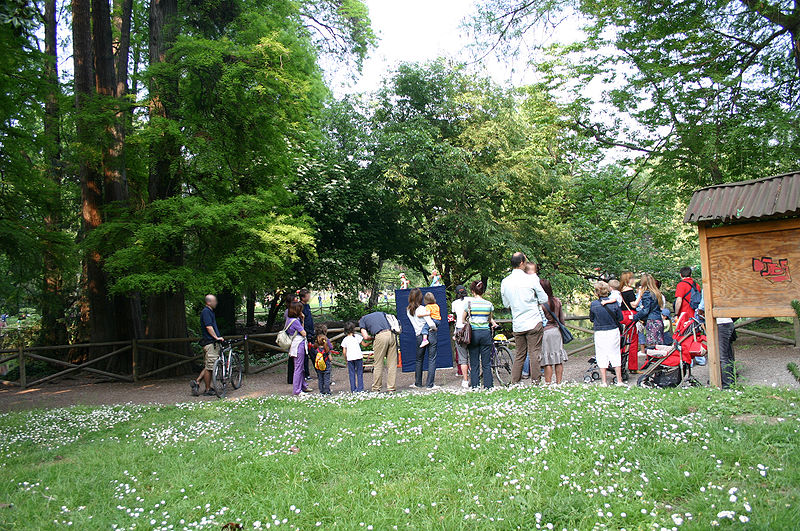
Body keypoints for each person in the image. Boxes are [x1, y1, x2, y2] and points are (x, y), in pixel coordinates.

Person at [501, 252, 547, 385]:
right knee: (534, 352)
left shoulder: (505, 282)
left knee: (520, 354)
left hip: (518, 323)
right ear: (521, 263)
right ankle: (536, 381)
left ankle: (515, 382)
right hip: (533, 320)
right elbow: (544, 298)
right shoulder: (531, 279)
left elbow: (506, 304)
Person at [697, 290, 736, 388]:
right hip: (727, 321)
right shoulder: (723, 286)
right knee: (727, 353)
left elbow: (702, 306)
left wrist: (699, 311)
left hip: (719, 323)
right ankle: (728, 379)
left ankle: (727, 383)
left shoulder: (709, 286)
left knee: (721, 355)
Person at [589, 282, 625, 387]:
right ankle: (619, 380)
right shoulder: (614, 304)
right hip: (613, 330)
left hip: (600, 332)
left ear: (597, 293)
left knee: (601, 354)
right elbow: (621, 318)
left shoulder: (594, 304)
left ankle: (604, 381)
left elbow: (591, 319)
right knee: (615, 353)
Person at [463, 281, 497, 389]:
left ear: (472, 291)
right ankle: (488, 385)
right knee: (486, 362)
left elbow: (463, 319)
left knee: (474, 362)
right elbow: (489, 318)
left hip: (474, 334)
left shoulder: (469, 304)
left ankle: (475, 385)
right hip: (485, 333)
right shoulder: (489, 304)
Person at [191, 294, 224, 397]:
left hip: (210, 343)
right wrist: (216, 337)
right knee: (210, 367)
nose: (216, 303)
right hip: (210, 343)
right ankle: (207, 389)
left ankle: (197, 382)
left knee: (208, 365)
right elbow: (209, 327)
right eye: (214, 301)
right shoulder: (206, 312)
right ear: (208, 302)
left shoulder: (209, 312)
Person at [359, 310, 399, 392]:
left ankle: (376, 388)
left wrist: (373, 338)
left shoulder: (362, 321)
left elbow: (365, 337)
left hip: (380, 335)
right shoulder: (380, 313)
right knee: (392, 363)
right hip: (392, 334)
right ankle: (391, 387)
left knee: (378, 363)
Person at [407, 288, 438, 389]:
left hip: (419, 336)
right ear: (420, 298)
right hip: (430, 334)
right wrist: (435, 328)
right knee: (431, 359)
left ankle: (418, 383)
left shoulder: (408, 310)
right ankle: (430, 384)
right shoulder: (423, 309)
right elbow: (430, 323)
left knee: (419, 360)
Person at [540, 279, 568, 385]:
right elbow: (561, 319)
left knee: (547, 359)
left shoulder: (541, 304)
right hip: (556, 331)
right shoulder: (557, 301)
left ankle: (548, 383)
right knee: (558, 358)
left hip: (545, 332)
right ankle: (559, 382)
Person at [632, 273, 665, 348]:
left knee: (652, 345)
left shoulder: (647, 294)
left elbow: (646, 310)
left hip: (652, 321)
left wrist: (635, 317)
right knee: (659, 345)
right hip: (658, 320)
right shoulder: (656, 293)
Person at [618, 271, 642, 372]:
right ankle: (633, 367)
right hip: (630, 316)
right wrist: (640, 294)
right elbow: (634, 305)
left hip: (621, 316)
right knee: (633, 341)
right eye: (632, 278)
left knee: (622, 340)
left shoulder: (619, 291)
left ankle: (619, 364)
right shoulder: (629, 290)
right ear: (628, 279)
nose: (633, 280)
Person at [286, 300, 309, 395]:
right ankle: (297, 390)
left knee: (300, 366)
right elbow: (303, 332)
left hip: (295, 344)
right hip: (298, 344)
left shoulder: (289, 320)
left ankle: (303, 386)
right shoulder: (295, 321)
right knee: (298, 367)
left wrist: (302, 320)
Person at [451, 285, 470, 388]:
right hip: (471, 329)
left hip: (460, 330)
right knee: (473, 354)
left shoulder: (454, 303)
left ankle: (465, 380)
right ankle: (476, 377)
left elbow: (455, 316)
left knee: (463, 357)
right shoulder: (471, 300)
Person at [341, 321, 366, 392]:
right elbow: (364, 344)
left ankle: (353, 389)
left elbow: (344, 351)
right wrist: (370, 342)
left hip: (350, 358)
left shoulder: (345, 339)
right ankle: (360, 388)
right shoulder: (357, 337)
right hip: (358, 357)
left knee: (351, 374)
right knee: (359, 373)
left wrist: (345, 359)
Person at [298, 289, 314, 380]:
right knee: (305, 355)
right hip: (304, 333)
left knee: (312, 353)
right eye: (308, 295)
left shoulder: (307, 306)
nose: (309, 297)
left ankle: (318, 371)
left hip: (310, 332)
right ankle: (306, 374)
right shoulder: (300, 306)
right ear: (303, 297)